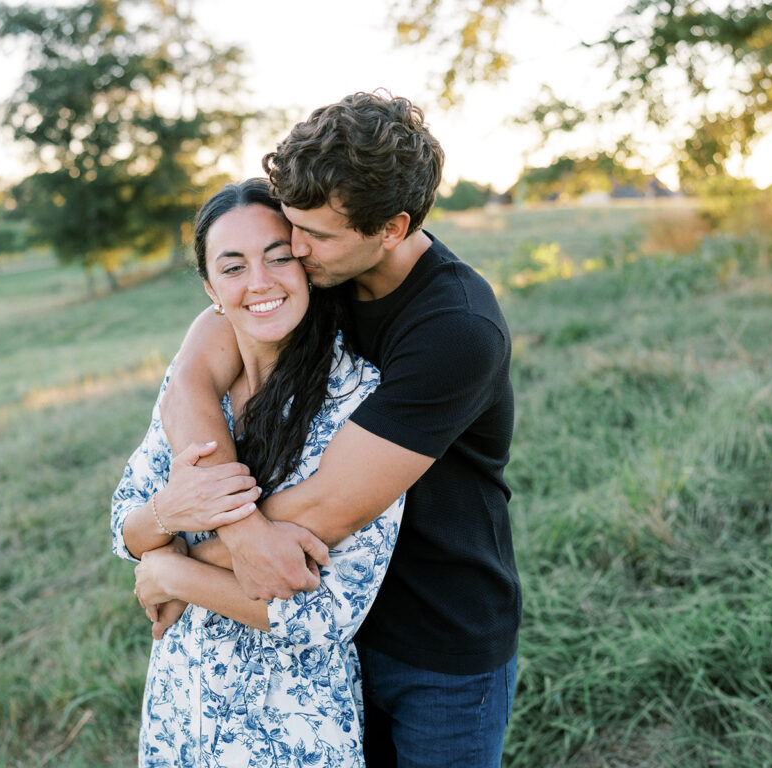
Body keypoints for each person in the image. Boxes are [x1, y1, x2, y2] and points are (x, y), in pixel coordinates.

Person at [158, 92, 521, 767]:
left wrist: (174, 562)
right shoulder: (314, 270)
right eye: (293, 224)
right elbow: (190, 376)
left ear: (392, 227)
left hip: (439, 643)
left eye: (314, 235)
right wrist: (229, 532)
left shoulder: (455, 329)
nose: (294, 250)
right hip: (328, 631)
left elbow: (329, 509)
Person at [110, 178, 405, 766]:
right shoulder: (192, 389)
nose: (261, 282)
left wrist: (174, 573)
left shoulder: (360, 399)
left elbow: (330, 612)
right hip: (181, 706)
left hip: (292, 725)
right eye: (234, 266)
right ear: (211, 289)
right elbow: (126, 527)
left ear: (306, 264)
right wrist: (168, 514)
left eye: (277, 257)